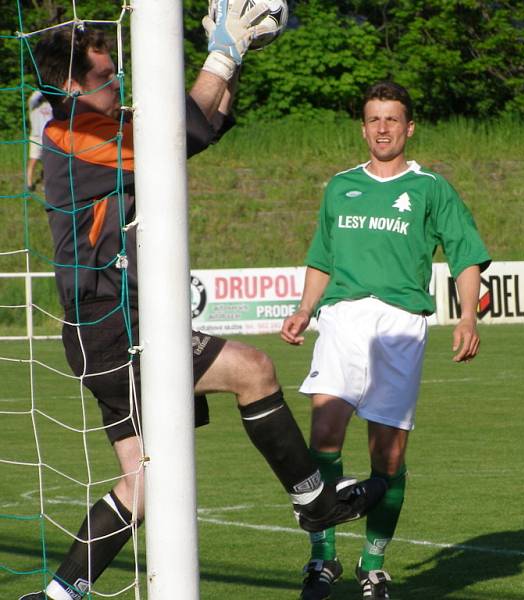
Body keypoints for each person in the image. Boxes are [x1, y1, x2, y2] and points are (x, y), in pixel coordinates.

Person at [20, 14, 384, 600]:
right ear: (71, 86)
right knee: (254, 369)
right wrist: (221, 53)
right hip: (118, 328)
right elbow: (176, 137)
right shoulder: (72, 135)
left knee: (142, 485)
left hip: (106, 331)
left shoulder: (101, 125)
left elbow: (202, 127)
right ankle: (314, 501)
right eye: (108, 76)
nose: (120, 83)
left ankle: (61, 594)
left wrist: (234, 55)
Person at [281, 81, 491, 600]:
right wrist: (305, 309)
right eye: (374, 119)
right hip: (343, 319)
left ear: (409, 127)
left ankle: (373, 563)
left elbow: (464, 254)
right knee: (324, 432)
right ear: (363, 127)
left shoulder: (431, 188)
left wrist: (467, 316)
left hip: (401, 324)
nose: (382, 128)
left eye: (392, 119)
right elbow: (322, 259)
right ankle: (322, 557)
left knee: (388, 456)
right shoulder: (339, 186)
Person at [26, 89, 52, 189]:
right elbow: (34, 97)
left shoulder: (50, 105)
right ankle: (29, 183)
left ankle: (46, 183)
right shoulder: (34, 105)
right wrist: (43, 87)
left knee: (48, 161)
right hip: (36, 137)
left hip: (48, 137)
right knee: (33, 159)